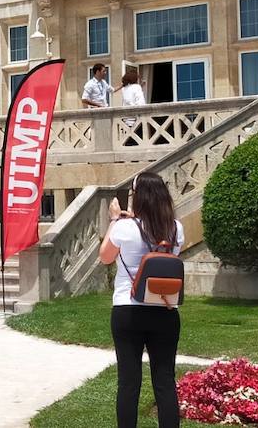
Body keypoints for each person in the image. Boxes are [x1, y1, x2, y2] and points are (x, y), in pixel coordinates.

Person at [98, 172, 186, 428]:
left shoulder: (125, 227)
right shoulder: (175, 228)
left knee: (128, 380)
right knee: (165, 380)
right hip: (165, 308)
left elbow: (105, 257)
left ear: (139, 197)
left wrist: (114, 220)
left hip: (129, 309)